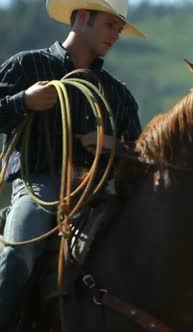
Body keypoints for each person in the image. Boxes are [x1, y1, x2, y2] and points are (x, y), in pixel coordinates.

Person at [0, 0, 144, 327]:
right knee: (21, 247)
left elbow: (140, 155)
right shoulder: (27, 67)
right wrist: (24, 101)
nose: (116, 35)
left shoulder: (117, 94)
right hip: (40, 184)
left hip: (97, 190)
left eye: (120, 29)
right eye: (111, 25)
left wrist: (112, 145)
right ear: (81, 18)